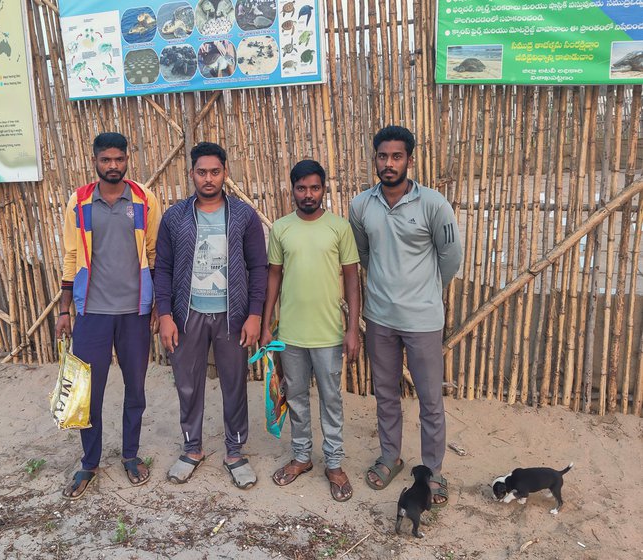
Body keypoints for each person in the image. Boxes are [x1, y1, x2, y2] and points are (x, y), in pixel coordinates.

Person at [349, 125, 462, 506]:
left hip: (423, 320)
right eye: (383, 156)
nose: (389, 163)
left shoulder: (433, 204)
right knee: (385, 394)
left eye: (397, 156)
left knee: (430, 399)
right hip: (379, 317)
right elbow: (364, 255)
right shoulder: (361, 205)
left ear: (409, 160)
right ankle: (389, 457)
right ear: (375, 158)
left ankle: (432, 472)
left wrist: (427, 290)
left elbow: (450, 257)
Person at [155, 141, 267, 489]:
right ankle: (192, 448)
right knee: (188, 384)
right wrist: (165, 315)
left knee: (234, 384)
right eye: (201, 172)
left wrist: (254, 314)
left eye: (215, 172)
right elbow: (163, 268)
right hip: (187, 315)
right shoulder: (175, 217)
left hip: (232, 316)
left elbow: (258, 267)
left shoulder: (243, 215)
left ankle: (234, 452)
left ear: (225, 173)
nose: (208, 179)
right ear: (191, 174)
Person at [55, 132, 162, 500]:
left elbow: (153, 254)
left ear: (128, 158)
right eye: (106, 160)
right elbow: (71, 255)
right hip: (92, 312)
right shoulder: (79, 201)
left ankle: (131, 456)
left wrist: (157, 303)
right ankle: (89, 462)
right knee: (89, 394)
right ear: (95, 161)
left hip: (134, 312)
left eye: (118, 159)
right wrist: (64, 308)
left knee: (136, 388)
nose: (113, 165)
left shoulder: (145, 199)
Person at [260, 160, 361, 502]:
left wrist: (352, 330)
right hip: (290, 334)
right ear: (293, 190)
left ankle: (333, 463)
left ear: (323, 190)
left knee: (331, 399)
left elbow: (351, 278)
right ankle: (301, 457)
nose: (308, 194)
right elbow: (273, 276)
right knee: (297, 398)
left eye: (314, 188)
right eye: (301, 188)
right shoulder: (281, 228)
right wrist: (265, 326)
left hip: (329, 334)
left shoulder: (339, 228)